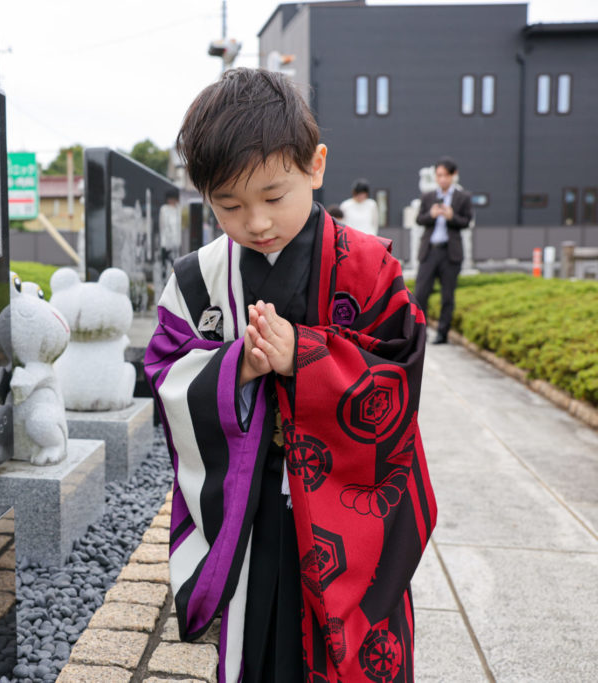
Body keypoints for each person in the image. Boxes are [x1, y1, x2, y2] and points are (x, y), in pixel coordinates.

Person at [145, 68, 436, 682]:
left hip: (343, 510)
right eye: (229, 205)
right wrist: (241, 364)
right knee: (257, 648)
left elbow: (398, 371)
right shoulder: (198, 280)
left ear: (316, 166)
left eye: (274, 197)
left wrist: (305, 356)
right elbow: (166, 369)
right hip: (249, 508)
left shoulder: (366, 266)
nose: (255, 222)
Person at [413, 157, 473, 344]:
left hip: (450, 252)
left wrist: (451, 216)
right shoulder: (428, 196)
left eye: (446, 175)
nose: (442, 179)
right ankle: (417, 334)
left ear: (454, 175)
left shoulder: (463, 197)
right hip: (430, 250)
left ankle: (442, 333)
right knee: (420, 293)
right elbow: (419, 219)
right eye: (439, 175)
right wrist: (431, 215)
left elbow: (466, 222)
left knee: (448, 295)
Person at [158, 188, 182, 294]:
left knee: (176, 264)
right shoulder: (164, 209)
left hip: (176, 243)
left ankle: (175, 284)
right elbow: (163, 226)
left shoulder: (178, 209)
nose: (172, 201)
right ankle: (164, 285)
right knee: (165, 264)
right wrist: (168, 242)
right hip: (166, 243)